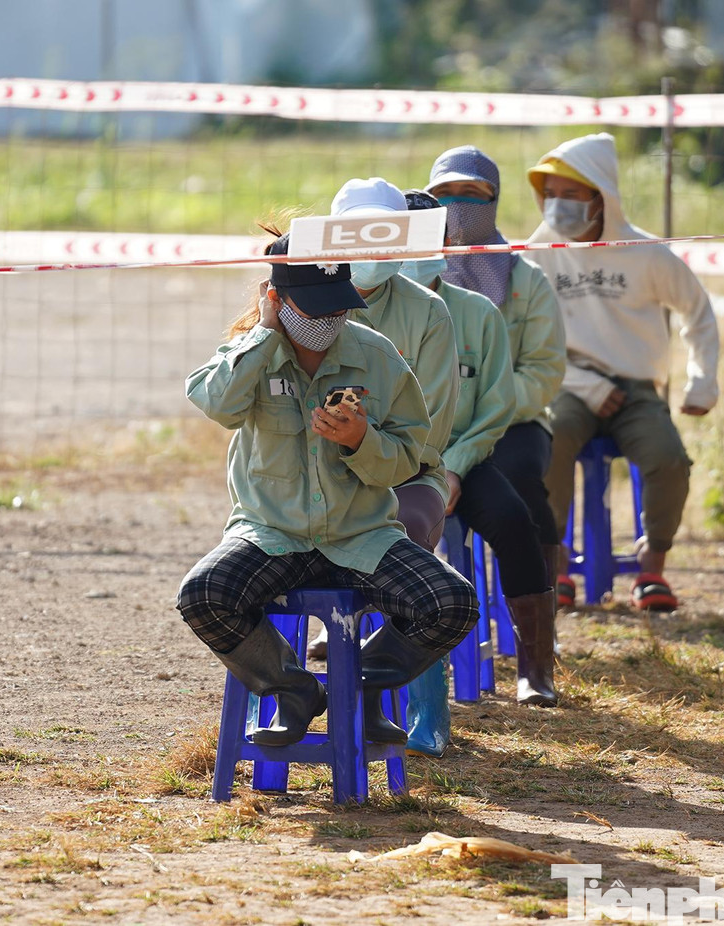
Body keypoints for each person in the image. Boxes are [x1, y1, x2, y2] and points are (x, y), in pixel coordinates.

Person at [176, 235, 478, 747]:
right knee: (204, 596)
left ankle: (360, 688)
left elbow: (411, 455)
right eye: (313, 308)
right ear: (276, 300)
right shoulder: (250, 353)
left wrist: (363, 441)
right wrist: (264, 336)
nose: (329, 319)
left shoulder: (377, 356)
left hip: (359, 534)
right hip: (272, 533)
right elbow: (219, 405)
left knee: (451, 604)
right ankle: (292, 689)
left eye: (340, 306)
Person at [524, 132, 719, 612]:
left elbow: (698, 312)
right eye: (551, 194)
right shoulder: (540, 251)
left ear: (601, 198)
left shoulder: (647, 253)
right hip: (567, 382)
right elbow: (524, 334)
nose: (558, 206)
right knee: (548, 444)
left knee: (669, 459)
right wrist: (585, 385)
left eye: (572, 195)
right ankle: (558, 568)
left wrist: (702, 379)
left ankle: (651, 568)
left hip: (636, 390)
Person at [398, 188, 559, 712]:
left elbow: (495, 409)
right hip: (391, 462)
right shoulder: (370, 313)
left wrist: (455, 469)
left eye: (431, 241)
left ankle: (536, 665)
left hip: (460, 458)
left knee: (515, 520)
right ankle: (363, 632)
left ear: (449, 243)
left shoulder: (478, 314)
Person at [304, 178, 458, 666]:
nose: (373, 246)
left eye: (387, 233)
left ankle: (375, 676)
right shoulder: (299, 300)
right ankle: (291, 683)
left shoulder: (428, 312)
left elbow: (426, 430)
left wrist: (361, 444)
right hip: (310, 474)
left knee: (405, 530)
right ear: (334, 236)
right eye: (359, 231)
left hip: (405, 476)